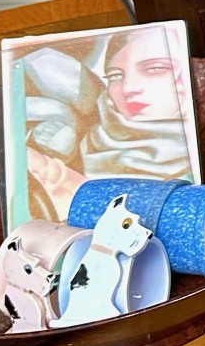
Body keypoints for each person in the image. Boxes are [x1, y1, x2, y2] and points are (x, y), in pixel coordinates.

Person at [20, 25, 194, 222]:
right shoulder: (82, 135)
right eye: (115, 76)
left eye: (154, 69)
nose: (128, 88)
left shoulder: (204, 152)